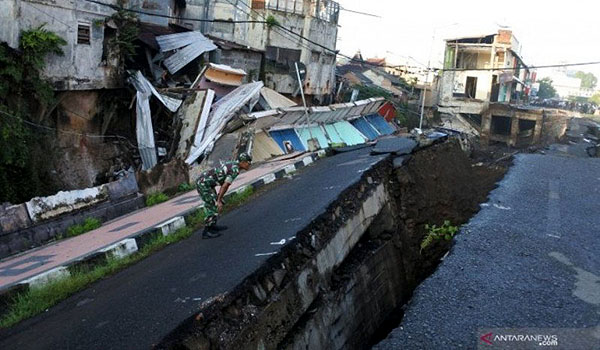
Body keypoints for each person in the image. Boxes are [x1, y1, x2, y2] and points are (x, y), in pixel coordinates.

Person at [196, 152, 252, 239]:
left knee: (217, 202)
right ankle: (206, 231)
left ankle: (212, 226)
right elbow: (225, 186)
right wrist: (218, 200)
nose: (249, 165)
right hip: (204, 184)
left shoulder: (233, 164)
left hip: (207, 183)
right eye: (248, 163)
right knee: (213, 205)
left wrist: (219, 198)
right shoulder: (235, 170)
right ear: (243, 162)